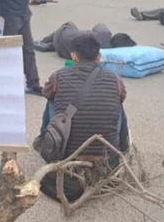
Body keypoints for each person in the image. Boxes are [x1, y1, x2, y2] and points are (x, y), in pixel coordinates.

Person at [37, 34, 130, 200]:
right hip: (107, 158)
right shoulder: (115, 79)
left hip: (66, 156)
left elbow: (46, 93)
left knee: (52, 101)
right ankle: (121, 148)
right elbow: (121, 98)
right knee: (117, 104)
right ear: (99, 57)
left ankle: (46, 141)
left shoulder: (58, 75)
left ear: (73, 56)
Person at [33, 22, 136, 59]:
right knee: (77, 41)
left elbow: (99, 25)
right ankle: (49, 46)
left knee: (69, 24)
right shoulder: (105, 56)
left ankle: (45, 41)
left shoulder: (105, 34)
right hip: (63, 52)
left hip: (61, 35)